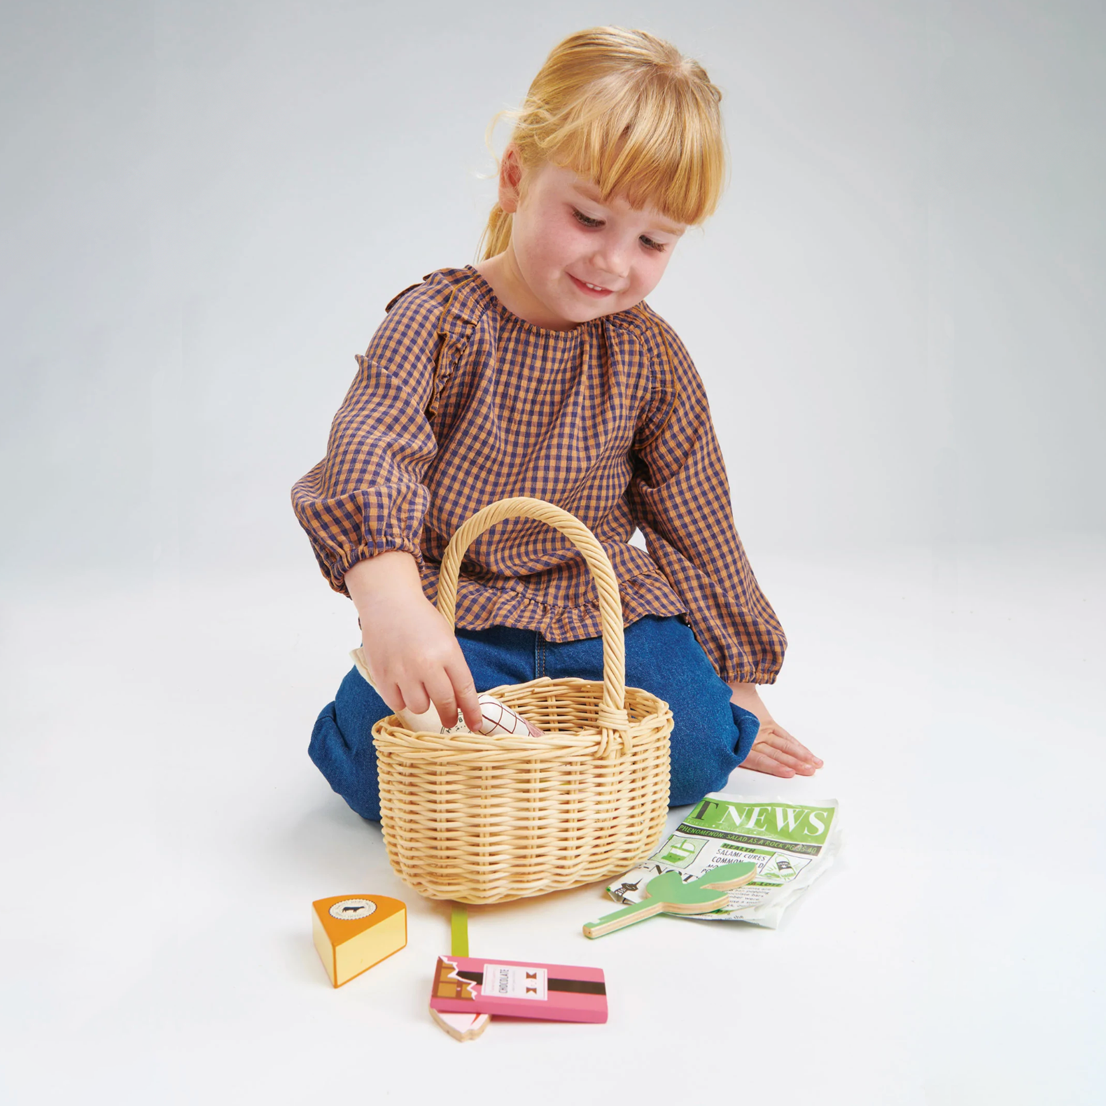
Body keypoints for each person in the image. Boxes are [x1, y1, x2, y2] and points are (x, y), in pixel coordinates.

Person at [291, 26, 822, 822]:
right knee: (375, 768)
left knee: (706, 744)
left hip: (602, 610)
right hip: (455, 612)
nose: (613, 262)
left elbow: (695, 519)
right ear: (514, 180)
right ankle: (519, 756)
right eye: (587, 217)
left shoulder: (650, 356)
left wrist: (739, 690)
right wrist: (393, 604)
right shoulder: (437, 322)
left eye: (652, 241)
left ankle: (518, 771)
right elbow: (373, 448)